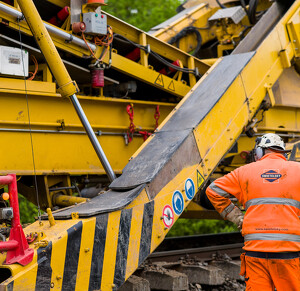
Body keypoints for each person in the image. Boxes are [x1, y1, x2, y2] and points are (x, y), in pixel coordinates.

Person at [206, 133, 300, 291]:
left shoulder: (244, 171)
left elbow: (213, 191)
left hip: (255, 252)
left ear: (259, 152)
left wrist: (237, 218)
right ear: (283, 152)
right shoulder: (298, 170)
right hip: (288, 252)